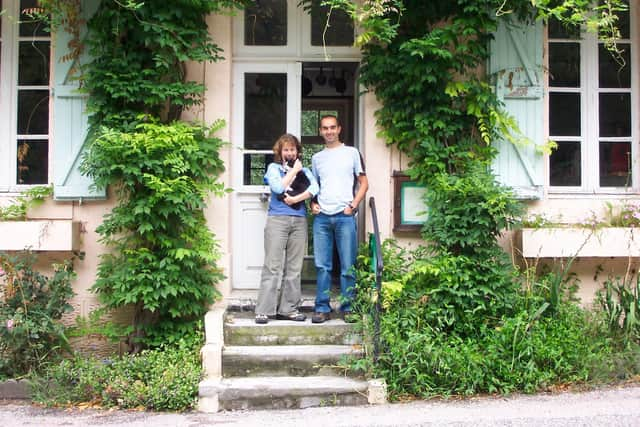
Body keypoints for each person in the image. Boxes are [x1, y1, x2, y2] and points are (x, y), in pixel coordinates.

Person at [254, 134, 319, 324]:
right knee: (272, 266)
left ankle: (288, 309)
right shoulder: (273, 168)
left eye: (293, 149)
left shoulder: (305, 171)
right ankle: (264, 310)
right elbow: (277, 187)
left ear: (297, 151)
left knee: (294, 268)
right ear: (280, 152)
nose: (290, 152)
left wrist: (296, 199)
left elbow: (315, 188)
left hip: (299, 221)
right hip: (278, 220)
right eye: (286, 149)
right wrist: (293, 171)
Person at [310, 115, 368, 323]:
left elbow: (363, 183)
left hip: (344, 217)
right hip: (322, 218)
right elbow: (313, 187)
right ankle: (322, 308)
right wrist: (312, 204)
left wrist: (352, 206)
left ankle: (348, 307)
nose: (329, 131)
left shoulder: (351, 153)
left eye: (332, 127)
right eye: (325, 128)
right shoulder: (317, 158)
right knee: (322, 265)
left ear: (339, 129)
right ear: (320, 131)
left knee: (347, 266)